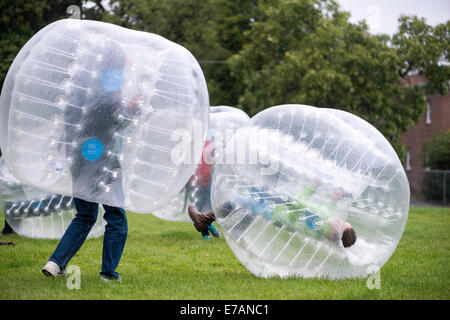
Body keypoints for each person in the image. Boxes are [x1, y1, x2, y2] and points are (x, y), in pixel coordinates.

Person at [41, 38, 136, 282]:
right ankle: (108, 274)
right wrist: (134, 108)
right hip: (103, 159)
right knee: (116, 216)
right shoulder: (109, 84)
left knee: (84, 215)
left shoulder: (79, 85)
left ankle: (55, 263)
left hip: (78, 157)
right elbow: (116, 118)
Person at [189, 178, 357, 248]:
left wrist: (312, 186)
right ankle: (233, 229)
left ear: (335, 231)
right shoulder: (323, 227)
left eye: (341, 223)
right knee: (250, 206)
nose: (340, 219)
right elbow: (325, 211)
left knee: (244, 200)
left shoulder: (316, 222)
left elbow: (297, 202)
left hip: (277, 212)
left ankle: (204, 219)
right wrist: (334, 200)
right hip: (280, 214)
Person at [185, 139, 220, 240]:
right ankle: (209, 231)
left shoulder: (205, 143)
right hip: (196, 181)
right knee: (200, 207)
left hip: (202, 180)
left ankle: (207, 232)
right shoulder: (191, 144)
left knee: (203, 206)